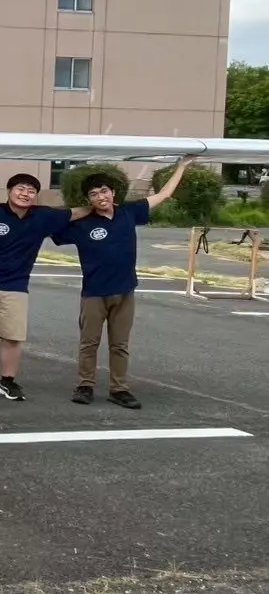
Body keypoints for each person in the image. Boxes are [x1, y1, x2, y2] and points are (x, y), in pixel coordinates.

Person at [53, 158, 192, 408]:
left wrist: (181, 166)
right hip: (94, 293)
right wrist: (81, 211)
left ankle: (119, 389)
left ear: (113, 192)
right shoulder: (82, 224)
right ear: (88, 199)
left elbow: (164, 194)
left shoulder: (129, 212)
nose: (100, 197)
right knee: (89, 343)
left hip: (125, 291)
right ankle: (85, 385)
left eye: (104, 191)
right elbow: (52, 224)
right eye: (94, 194)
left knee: (120, 345)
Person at [0, 173, 86, 401]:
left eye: (31, 191)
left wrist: (99, 206)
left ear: (36, 197)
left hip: (16, 284)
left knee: (13, 336)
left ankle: (7, 382)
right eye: (20, 188)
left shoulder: (43, 216)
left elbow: (75, 213)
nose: (25, 194)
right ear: (9, 191)